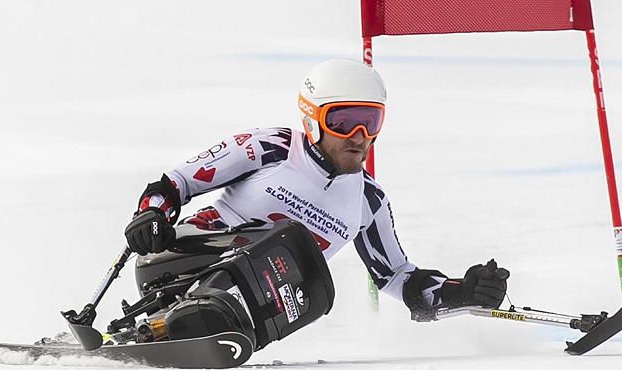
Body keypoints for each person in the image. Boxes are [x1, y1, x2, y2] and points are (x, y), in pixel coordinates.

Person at [124, 58, 509, 328]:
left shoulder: (367, 202)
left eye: (370, 121)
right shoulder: (269, 147)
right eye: (343, 122)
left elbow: (395, 277)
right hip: (176, 265)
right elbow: (176, 183)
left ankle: (206, 323)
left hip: (255, 305)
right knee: (286, 237)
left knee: (310, 275)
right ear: (312, 120)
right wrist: (152, 213)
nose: (360, 137)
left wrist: (461, 292)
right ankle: (177, 318)